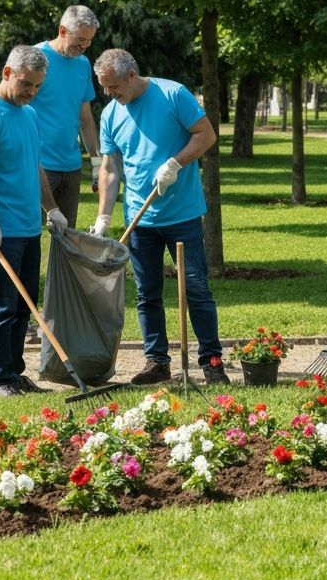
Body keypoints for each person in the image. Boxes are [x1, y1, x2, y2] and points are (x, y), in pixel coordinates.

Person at [89, 48, 229, 386]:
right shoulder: (110, 114)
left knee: (195, 288)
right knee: (147, 293)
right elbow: (109, 168)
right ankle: (157, 362)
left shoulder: (172, 94)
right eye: (104, 88)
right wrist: (104, 218)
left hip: (182, 214)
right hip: (140, 219)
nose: (109, 94)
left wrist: (175, 163)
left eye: (113, 87)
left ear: (132, 76)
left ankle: (211, 362)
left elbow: (206, 135)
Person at [0, 45, 67, 396]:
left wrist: (51, 209)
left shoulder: (29, 114)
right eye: (26, 84)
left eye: (37, 86)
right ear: (7, 73)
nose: (31, 92)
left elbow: (36, 167)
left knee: (24, 306)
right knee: (3, 305)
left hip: (27, 226)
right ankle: (0, 380)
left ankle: (15, 373)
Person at [29, 4, 102, 227]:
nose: (85, 46)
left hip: (71, 165)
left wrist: (97, 161)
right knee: (28, 235)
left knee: (65, 240)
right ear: (62, 31)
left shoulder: (82, 64)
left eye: (89, 41)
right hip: (38, 164)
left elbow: (85, 117)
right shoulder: (36, 58)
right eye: (80, 39)